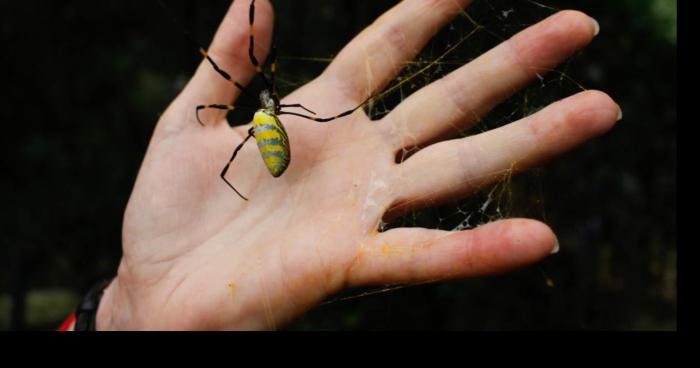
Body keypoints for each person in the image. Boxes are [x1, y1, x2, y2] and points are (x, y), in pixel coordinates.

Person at [62, 0, 621, 330]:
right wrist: (133, 310)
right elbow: (283, 114)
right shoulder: (273, 113)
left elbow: (277, 117)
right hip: (267, 138)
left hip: (265, 140)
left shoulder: (267, 116)